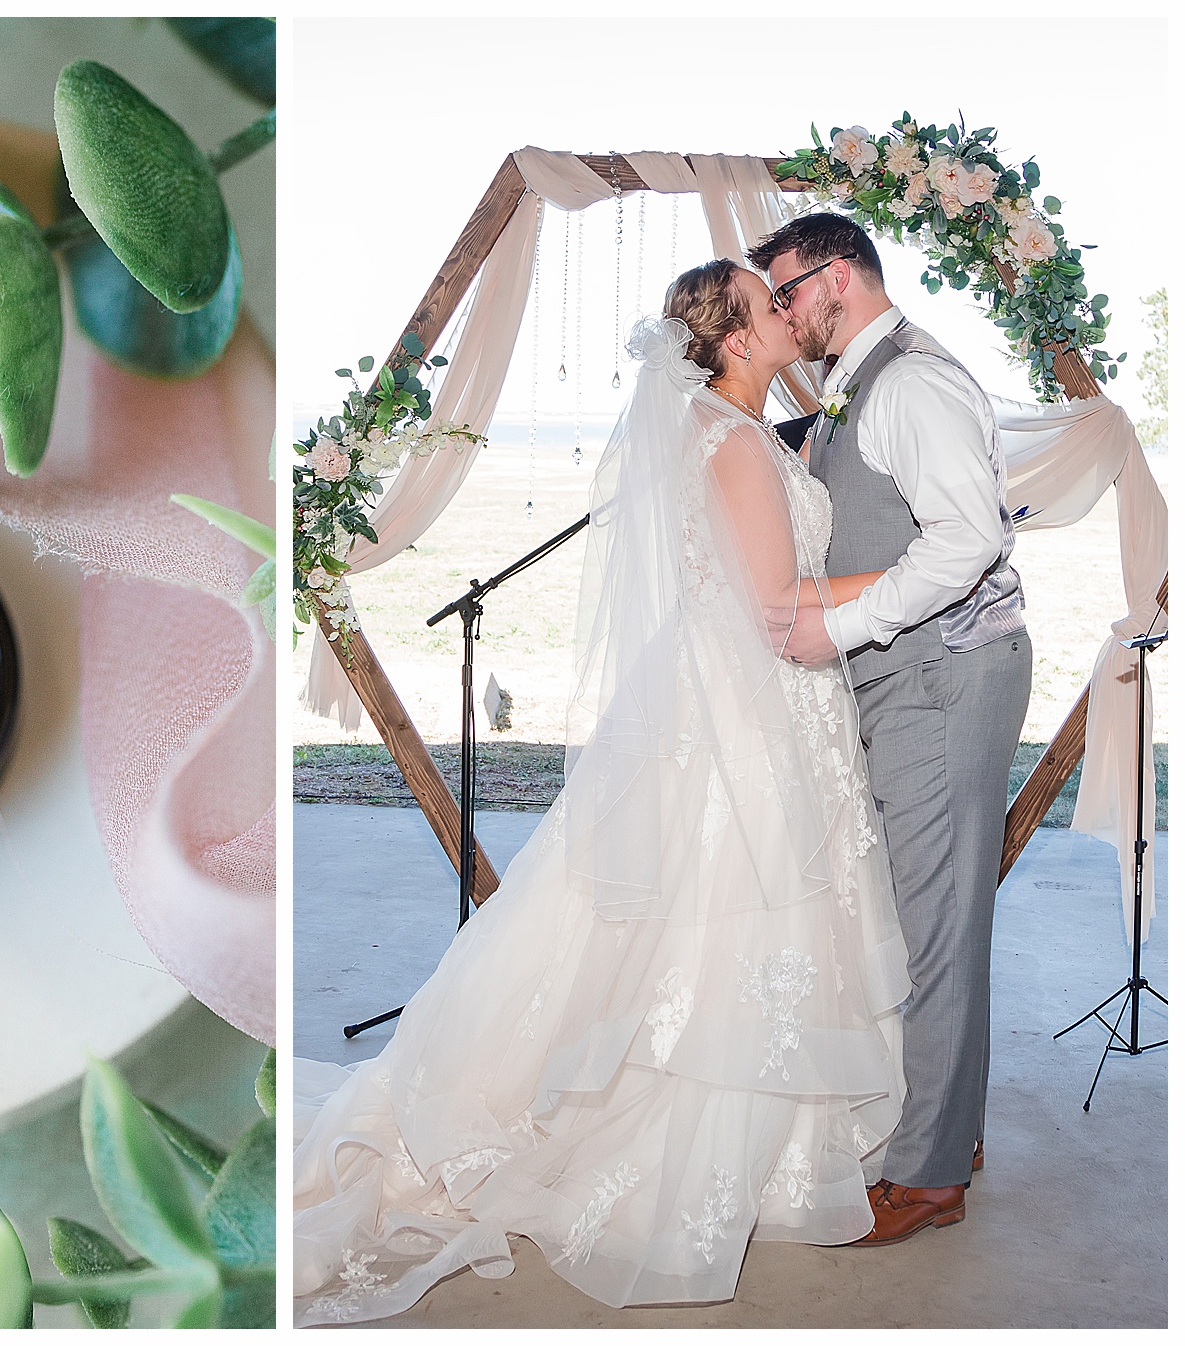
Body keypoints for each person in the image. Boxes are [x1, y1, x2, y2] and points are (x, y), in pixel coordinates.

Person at [294, 259, 911, 1322]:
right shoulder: (732, 442)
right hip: (747, 706)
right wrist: (926, 570)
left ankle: (771, 1137)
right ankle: (676, 1142)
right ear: (731, 339)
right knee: (723, 920)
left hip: (742, 698)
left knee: (708, 926)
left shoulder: (745, 434)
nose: (787, 309)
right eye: (770, 304)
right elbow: (775, 600)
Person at [748, 213, 1031, 1245]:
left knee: (941, 924)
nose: (781, 311)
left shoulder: (909, 382)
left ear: (838, 277)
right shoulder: (856, 387)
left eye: (785, 291)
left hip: (947, 675)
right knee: (924, 914)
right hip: (910, 673)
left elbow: (968, 540)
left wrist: (839, 627)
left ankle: (928, 1175)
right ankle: (951, 1127)